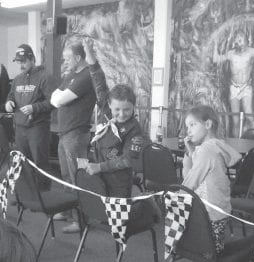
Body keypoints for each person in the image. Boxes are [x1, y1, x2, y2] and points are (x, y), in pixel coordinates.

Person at [81, 38, 150, 198]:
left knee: (117, 218)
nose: (121, 114)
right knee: (98, 210)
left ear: (134, 107)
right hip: (99, 177)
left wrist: (99, 167)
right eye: (117, 109)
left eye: (127, 109)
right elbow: (98, 80)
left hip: (118, 182)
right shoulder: (106, 111)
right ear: (109, 105)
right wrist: (89, 53)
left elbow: (128, 160)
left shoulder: (134, 128)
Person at [182, 105, 241, 255]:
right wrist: (190, 150)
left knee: (207, 251)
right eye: (187, 126)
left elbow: (192, 179)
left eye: (192, 125)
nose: (188, 130)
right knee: (215, 249)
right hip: (219, 208)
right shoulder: (216, 146)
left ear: (207, 125)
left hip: (209, 212)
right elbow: (203, 168)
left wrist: (176, 194)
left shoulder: (206, 150)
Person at [50, 42, 96, 233]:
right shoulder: (72, 75)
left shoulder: (86, 76)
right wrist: (58, 97)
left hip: (77, 134)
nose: (65, 61)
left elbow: (58, 99)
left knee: (78, 177)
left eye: (68, 58)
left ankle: (81, 220)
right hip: (65, 133)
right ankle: (68, 211)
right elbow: (53, 97)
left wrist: (59, 97)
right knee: (66, 175)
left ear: (78, 58)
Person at [5, 44, 55, 191]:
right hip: (20, 128)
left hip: (38, 128)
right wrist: (9, 102)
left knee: (40, 163)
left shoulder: (45, 77)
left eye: (23, 61)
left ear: (32, 59)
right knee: (22, 162)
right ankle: (28, 195)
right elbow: (11, 95)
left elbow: (53, 102)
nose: (20, 65)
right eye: (18, 62)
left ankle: (44, 195)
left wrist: (34, 108)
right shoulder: (17, 79)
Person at [213, 30, 254, 137]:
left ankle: (253, 140)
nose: (238, 39)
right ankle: (237, 144)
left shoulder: (252, 52)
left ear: (246, 39)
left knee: (249, 116)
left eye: (240, 37)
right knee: (236, 119)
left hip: (246, 87)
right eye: (236, 37)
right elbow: (216, 60)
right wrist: (215, 44)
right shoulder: (231, 53)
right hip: (234, 87)